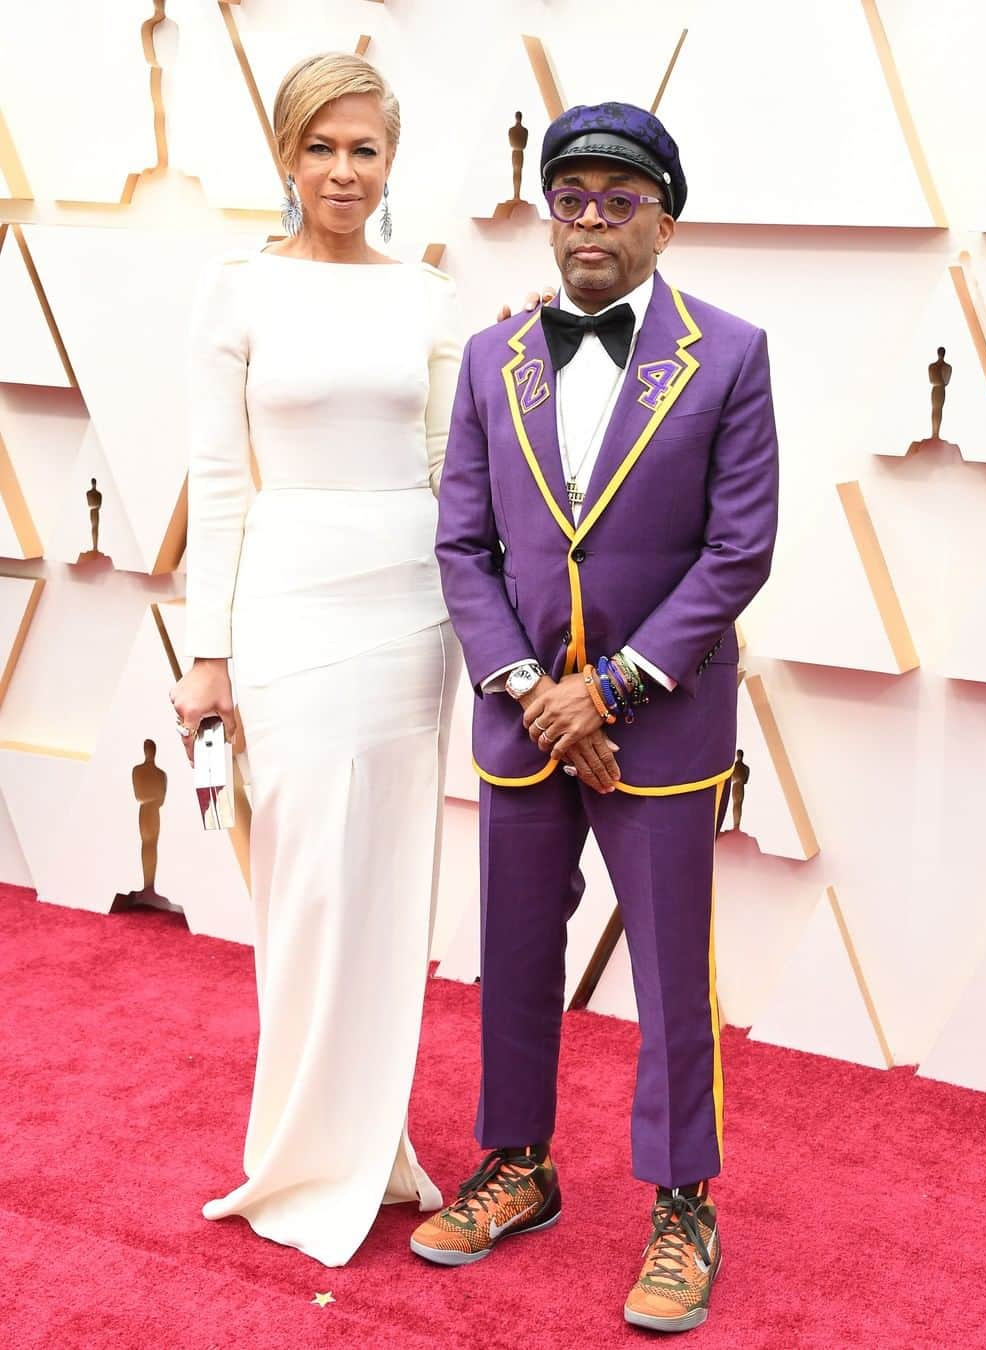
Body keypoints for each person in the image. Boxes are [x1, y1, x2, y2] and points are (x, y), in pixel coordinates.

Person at [416, 102, 779, 1334]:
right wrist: (529, 689)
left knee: (674, 972)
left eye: (620, 201)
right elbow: (462, 546)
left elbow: (738, 554)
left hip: (659, 727)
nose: (590, 221)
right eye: (571, 197)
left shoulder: (729, 354)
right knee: (512, 951)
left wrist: (610, 689)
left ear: (663, 221)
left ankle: (685, 1203)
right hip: (524, 721)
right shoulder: (488, 358)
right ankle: (519, 1166)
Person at [169, 52, 464, 1268]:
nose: (344, 171)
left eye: (365, 150)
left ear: (391, 162)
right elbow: (222, 486)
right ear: (288, 157)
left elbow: (459, 485)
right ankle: (298, 1153)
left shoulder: (430, 298)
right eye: (322, 148)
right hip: (287, 608)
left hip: (411, 613)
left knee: (389, 888)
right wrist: (208, 653)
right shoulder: (235, 291)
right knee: (303, 886)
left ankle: (369, 1141)